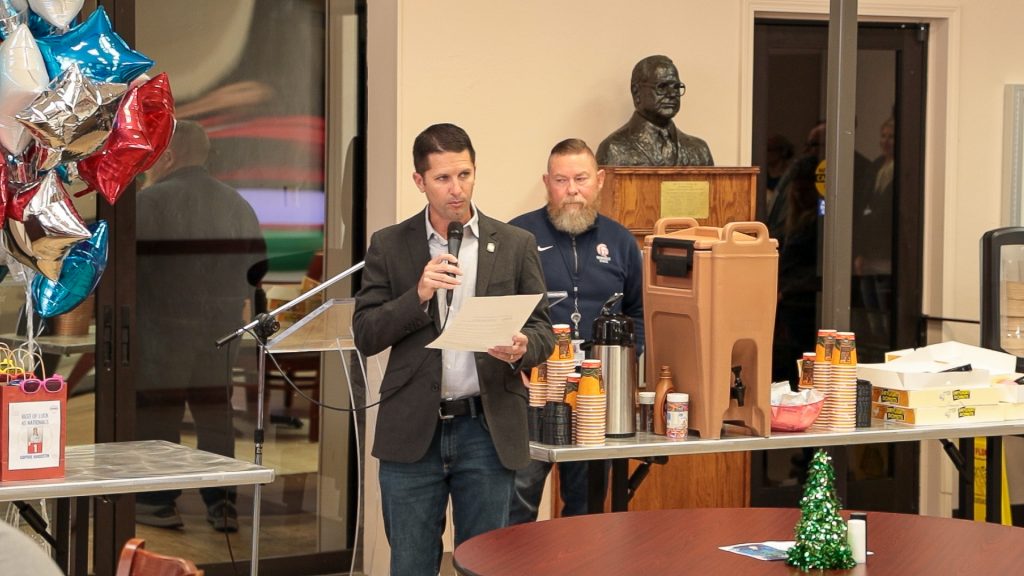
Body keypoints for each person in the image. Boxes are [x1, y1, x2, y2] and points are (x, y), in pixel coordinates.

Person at [352, 123, 555, 576]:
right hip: (412, 433)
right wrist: (418, 295)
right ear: (419, 181)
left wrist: (523, 346)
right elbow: (365, 333)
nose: (456, 189)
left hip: (486, 429)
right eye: (443, 178)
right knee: (410, 565)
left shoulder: (515, 244)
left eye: (464, 174)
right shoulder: (390, 244)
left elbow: (542, 330)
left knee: (485, 564)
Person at [134, 120, 266, 533]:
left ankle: (157, 503)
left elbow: (130, 272)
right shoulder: (237, 204)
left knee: (160, 415)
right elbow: (256, 268)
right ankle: (222, 504)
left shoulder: (149, 202)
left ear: (167, 157)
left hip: (162, 329)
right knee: (215, 416)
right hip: (221, 331)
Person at [508, 138, 644, 522]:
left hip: (595, 393)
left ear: (600, 180)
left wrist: (630, 373)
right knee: (518, 500)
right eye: (561, 180)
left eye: (581, 179)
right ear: (546, 183)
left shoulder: (621, 241)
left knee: (586, 505)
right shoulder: (517, 237)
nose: (571, 191)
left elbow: (639, 313)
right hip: (532, 392)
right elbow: (497, 311)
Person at [596, 55, 714, 166]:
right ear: (636, 92)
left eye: (676, 87)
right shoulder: (613, 149)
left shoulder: (699, 151)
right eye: (662, 87)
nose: (672, 94)